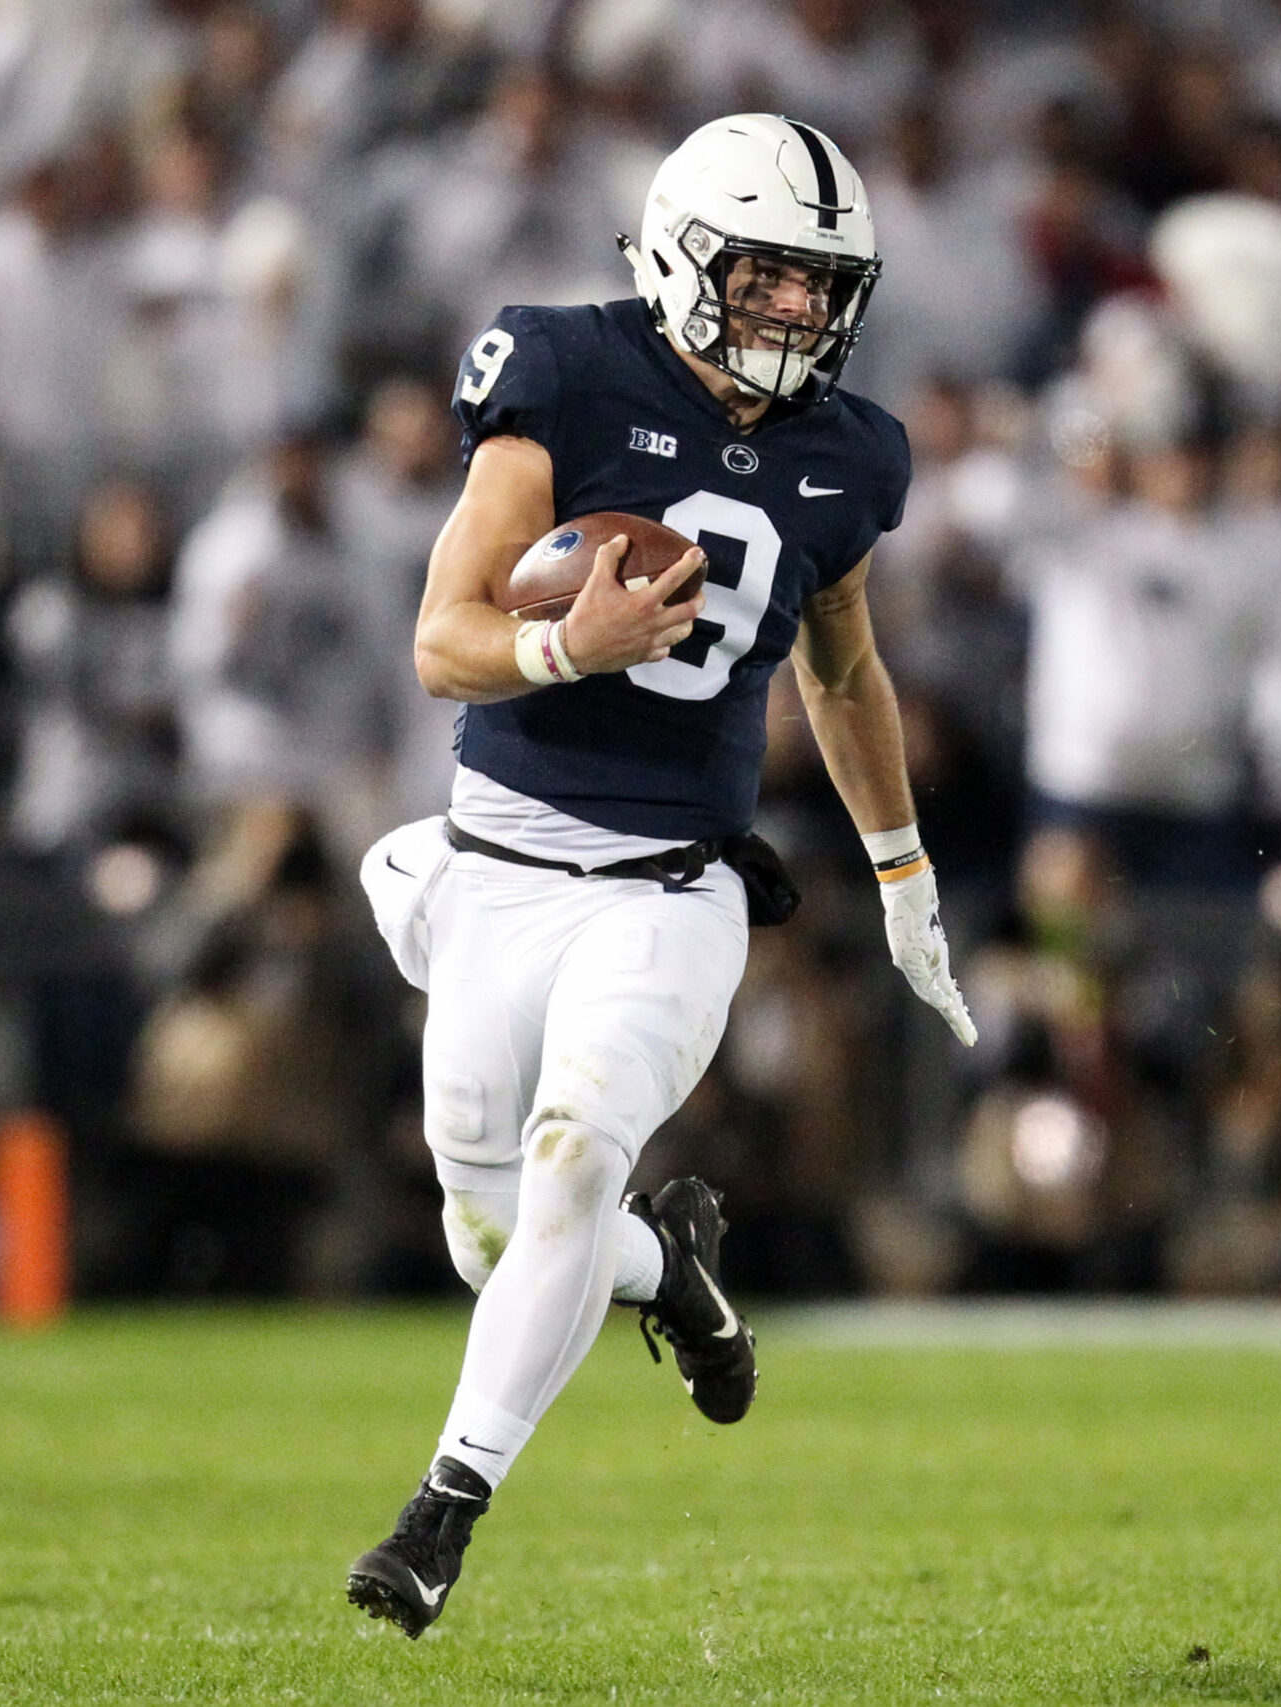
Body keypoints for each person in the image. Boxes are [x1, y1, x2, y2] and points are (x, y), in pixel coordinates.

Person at [344, 114, 976, 1639]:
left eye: (818, 287)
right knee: (487, 1234)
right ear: (687, 254)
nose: (792, 313)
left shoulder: (851, 455)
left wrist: (902, 875)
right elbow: (444, 641)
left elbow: (843, 669)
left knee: (573, 1162)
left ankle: (444, 1512)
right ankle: (670, 1268)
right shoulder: (563, 370)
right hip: (501, 860)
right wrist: (567, 644)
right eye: (763, 274)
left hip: (672, 887)